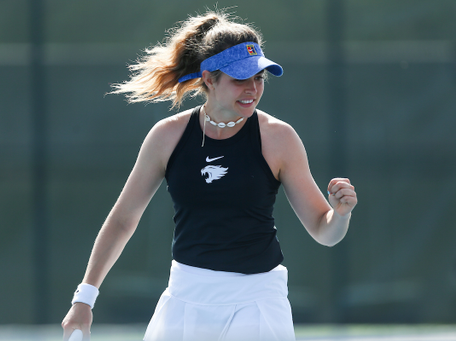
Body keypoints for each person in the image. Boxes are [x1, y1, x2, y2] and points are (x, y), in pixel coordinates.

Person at [61, 9, 357, 341]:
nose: (252, 88)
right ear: (209, 79)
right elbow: (122, 221)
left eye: (258, 77)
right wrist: (84, 299)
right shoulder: (166, 136)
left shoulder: (279, 138)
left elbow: (324, 230)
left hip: (258, 301)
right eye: (240, 79)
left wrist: (340, 214)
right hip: (185, 297)